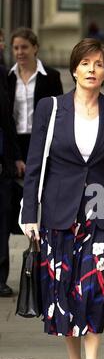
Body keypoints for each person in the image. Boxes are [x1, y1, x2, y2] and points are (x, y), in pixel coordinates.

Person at [21, 38, 104, 359]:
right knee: (63, 295)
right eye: (85, 63)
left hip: (101, 214)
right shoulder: (50, 108)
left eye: (99, 64)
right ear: (73, 68)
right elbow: (36, 164)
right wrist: (28, 214)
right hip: (57, 213)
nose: (91, 69)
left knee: (95, 292)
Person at [7, 27, 63, 234]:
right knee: (15, 198)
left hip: (40, 140)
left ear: (35, 48)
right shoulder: (8, 77)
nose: (20, 52)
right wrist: (14, 156)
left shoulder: (51, 76)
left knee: (42, 192)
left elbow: (59, 114)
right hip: (16, 142)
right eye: (16, 48)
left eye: (24, 47)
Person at [0, 65, 25, 297]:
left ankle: (1, 278)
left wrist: (16, 155)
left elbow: (7, 119)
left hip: (3, 165)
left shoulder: (1, 73)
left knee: (3, 221)